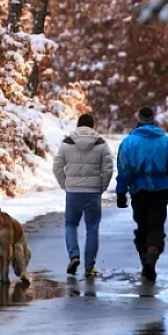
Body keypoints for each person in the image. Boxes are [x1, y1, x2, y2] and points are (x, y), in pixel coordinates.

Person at [116, 107, 168, 282]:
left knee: (142, 226)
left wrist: (121, 192)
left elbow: (124, 169)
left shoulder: (128, 143)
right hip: (160, 190)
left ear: (138, 119)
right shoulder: (165, 141)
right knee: (156, 225)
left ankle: (145, 258)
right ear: (153, 119)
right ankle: (152, 254)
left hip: (139, 191)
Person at [53, 114, 114, 277]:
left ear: (78, 125)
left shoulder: (67, 143)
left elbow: (57, 167)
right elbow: (108, 168)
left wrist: (66, 185)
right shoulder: (101, 143)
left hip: (73, 192)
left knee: (70, 225)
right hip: (93, 192)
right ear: (93, 126)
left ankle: (74, 255)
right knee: (92, 228)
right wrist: (101, 187)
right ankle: (89, 267)